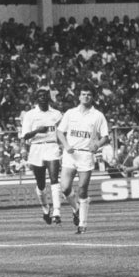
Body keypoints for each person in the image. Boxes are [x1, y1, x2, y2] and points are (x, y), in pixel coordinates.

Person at [56, 84, 110, 234]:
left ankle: (83, 224)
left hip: (86, 155)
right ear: (79, 96)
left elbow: (105, 136)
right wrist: (66, 145)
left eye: (89, 94)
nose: (86, 97)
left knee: (82, 189)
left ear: (93, 97)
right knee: (65, 187)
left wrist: (98, 144)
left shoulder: (98, 115)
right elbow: (60, 132)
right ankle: (76, 209)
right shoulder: (70, 113)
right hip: (70, 154)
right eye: (83, 94)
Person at [19, 88, 63, 224]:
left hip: (52, 146)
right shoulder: (30, 115)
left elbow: (62, 132)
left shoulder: (56, 114)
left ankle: (57, 211)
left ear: (48, 98)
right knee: (41, 183)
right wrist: (37, 130)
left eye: (45, 96)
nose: (42, 98)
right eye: (40, 96)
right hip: (36, 147)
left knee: (55, 178)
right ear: (36, 99)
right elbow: (25, 136)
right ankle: (45, 208)